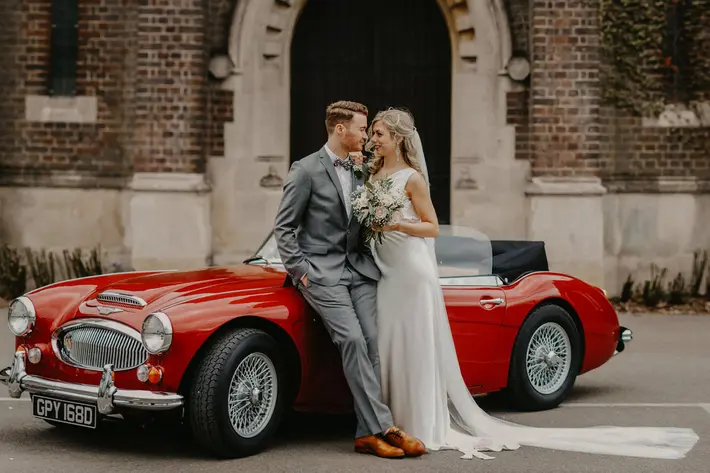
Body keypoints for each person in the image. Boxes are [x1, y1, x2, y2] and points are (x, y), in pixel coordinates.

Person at [364, 107, 700, 460]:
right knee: (391, 342)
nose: (373, 140)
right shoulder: (373, 174)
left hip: (412, 271)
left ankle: (419, 421)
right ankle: (390, 419)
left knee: (413, 343)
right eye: (372, 133)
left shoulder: (412, 178)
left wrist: (396, 225)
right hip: (388, 271)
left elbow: (431, 227)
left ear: (398, 139)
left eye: (379, 134)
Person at [273, 101, 426, 459]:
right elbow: (284, 227)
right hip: (321, 275)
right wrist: (301, 272)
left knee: (372, 341)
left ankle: (364, 434)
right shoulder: (306, 170)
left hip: (359, 270)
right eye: (361, 129)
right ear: (340, 130)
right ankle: (383, 427)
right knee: (353, 340)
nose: (366, 136)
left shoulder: (361, 171)